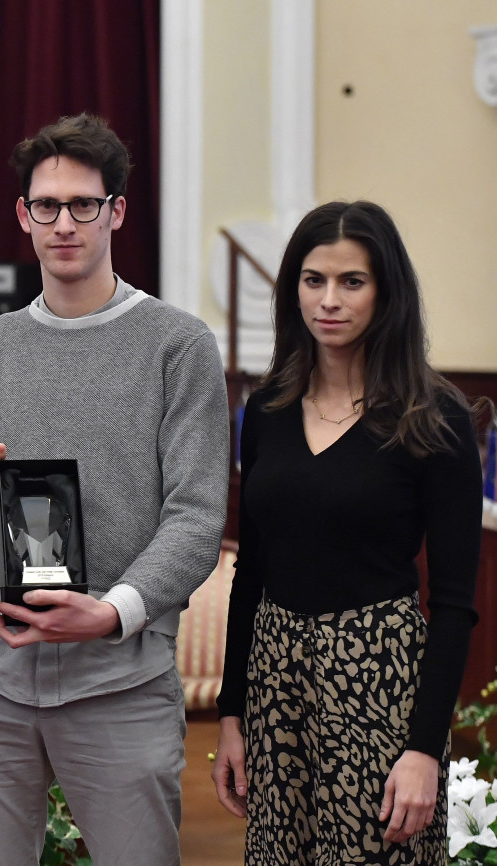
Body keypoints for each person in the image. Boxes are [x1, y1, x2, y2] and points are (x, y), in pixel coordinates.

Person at [0, 112, 229, 864]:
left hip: (120, 673)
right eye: (47, 206)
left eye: (84, 205)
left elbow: (195, 516)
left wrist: (111, 612)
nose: (65, 223)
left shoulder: (178, 345)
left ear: (116, 211)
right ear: (23, 216)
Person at [211, 200, 483, 864]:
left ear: (386, 290)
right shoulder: (268, 409)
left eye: (351, 282)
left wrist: (423, 749)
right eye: (313, 280)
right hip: (276, 682)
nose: (329, 300)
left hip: (380, 679)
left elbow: (452, 606)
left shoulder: (434, 415)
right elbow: (250, 574)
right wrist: (231, 716)